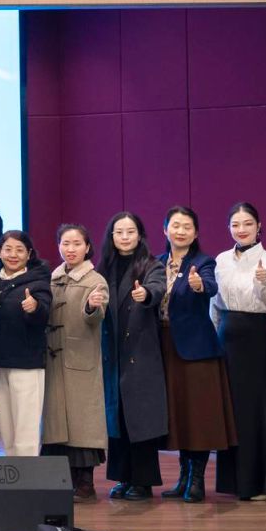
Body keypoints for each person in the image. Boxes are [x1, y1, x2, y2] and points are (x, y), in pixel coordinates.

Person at [212, 203, 266, 501]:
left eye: (247, 223)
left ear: (259, 226)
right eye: (235, 224)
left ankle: (261, 484)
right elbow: (214, 305)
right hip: (226, 337)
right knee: (231, 409)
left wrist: (263, 283)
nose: (241, 229)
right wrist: (214, 337)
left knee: (258, 408)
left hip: (256, 337)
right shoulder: (221, 260)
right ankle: (233, 483)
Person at [158, 206, 233, 503]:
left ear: (196, 232)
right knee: (178, 414)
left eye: (187, 227)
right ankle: (182, 477)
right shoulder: (156, 263)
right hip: (164, 347)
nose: (180, 231)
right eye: (175, 225)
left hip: (196, 350)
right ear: (165, 230)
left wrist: (199, 285)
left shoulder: (203, 262)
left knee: (197, 415)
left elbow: (210, 286)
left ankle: (197, 479)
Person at [101, 212, 169, 502]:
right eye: (119, 232)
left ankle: (143, 481)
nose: (125, 237)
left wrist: (146, 295)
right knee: (118, 419)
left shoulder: (152, 264)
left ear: (140, 235)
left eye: (130, 231)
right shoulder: (104, 267)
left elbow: (157, 288)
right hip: (113, 352)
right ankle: (123, 477)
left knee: (140, 419)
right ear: (112, 236)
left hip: (139, 351)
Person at [43, 223, 110, 500]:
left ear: (87, 247)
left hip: (80, 360)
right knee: (56, 425)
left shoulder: (96, 280)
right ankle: (61, 482)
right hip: (52, 360)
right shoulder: (52, 278)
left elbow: (96, 315)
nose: (70, 249)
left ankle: (85, 484)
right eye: (65, 243)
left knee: (83, 426)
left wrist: (92, 306)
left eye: (77, 244)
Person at [0, 231, 52, 458]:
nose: (13, 255)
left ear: (29, 254)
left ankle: (28, 475)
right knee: (7, 428)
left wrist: (35, 308)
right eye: (8, 249)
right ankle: (12, 471)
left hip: (26, 363)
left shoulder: (39, 280)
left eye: (20, 250)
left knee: (26, 429)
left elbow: (45, 313)